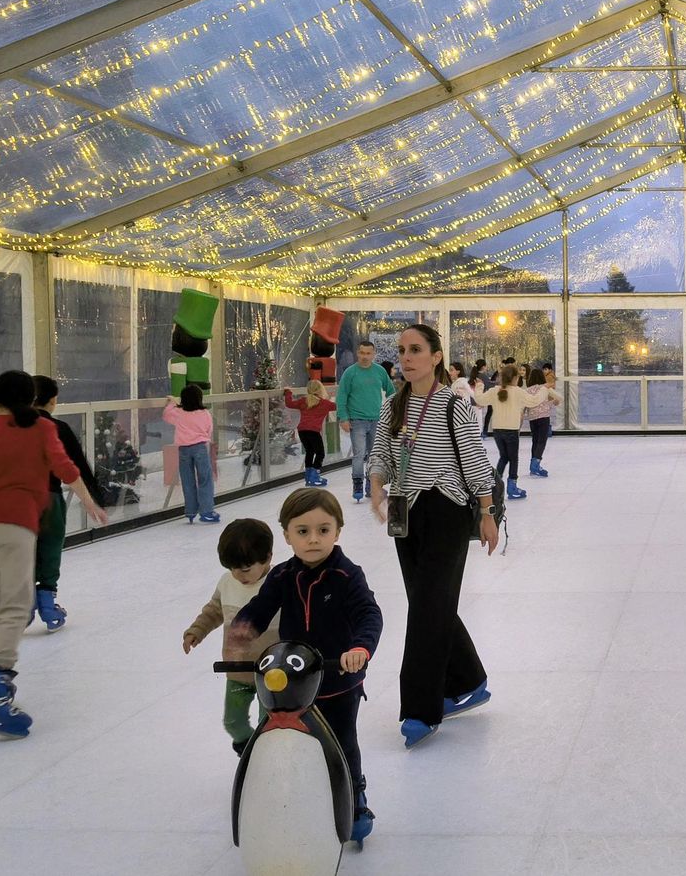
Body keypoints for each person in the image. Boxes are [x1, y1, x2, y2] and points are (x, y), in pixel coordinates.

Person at [0, 371, 109, 738]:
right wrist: (90, 502)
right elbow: (66, 470)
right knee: (16, 606)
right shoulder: (41, 429)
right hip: (15, 523)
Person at [367, 324, 500, 750]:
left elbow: (475, 459)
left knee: (427, 607)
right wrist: (376, 483)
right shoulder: (392, 406)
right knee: (428, 602)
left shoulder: (453, 404)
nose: (406, 358)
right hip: (403, 509)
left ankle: (421, 709)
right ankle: (469, 680)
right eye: (402, 350)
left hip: (445, 508)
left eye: (416, 350)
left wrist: (487, 513)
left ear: (436, 356)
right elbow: (381, 453)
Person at [230, 488, 383, 846]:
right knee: (290, 742)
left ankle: (354, 797)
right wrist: (244, 626)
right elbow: (261, 607)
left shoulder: (347, 575)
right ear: (287, 535)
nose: (313, 539)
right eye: (302, 531)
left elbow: (368, 614)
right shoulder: (282, 576)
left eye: (323, 530)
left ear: (337, 531)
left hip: (339, 680)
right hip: (291, 683)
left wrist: (359, 649)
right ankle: (292, 795)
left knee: (343, 742)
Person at [181, 518, 279, 755]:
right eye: (232, 569)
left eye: (244, 569)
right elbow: (214, 610)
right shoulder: (227, 583)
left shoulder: (279, 582)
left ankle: (267, 757)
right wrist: (197, 630)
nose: (238, 575)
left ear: (267, 557)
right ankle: (248, 751)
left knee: (269, 724)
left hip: (272, 672)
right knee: (233, 722)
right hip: (237, 670)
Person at [30, 375, 104, 631]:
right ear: (53, 401)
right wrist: (94, 497)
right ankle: (47, 603)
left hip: (17, 501)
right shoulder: (57, 428)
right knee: (50, 548)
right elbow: (77, 465)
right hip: (49, 498)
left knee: (23, 550)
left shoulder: (12, 426)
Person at [336, 340, 396, 504]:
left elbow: (391, 392)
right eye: (362, 353)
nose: (365, 356)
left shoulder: (379, 371)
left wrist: (393, 412)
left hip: (376, 419)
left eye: (368, 353)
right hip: (357, 420)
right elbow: (342, 396)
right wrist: (343, 417)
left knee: (375, 455)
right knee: (359, 454)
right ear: (358, 353)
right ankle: (357, 485)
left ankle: (372, 487)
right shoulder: (350, 373)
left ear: (373, 354)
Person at [164, 385, 220, 524]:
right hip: (200, 448)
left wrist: (172, 402)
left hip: (184, 449)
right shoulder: (205, 413)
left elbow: (167, 415)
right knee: (205, 479)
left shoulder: (179, 413)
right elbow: (209, 430)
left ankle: (190, 511)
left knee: (187, 480)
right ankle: (206, 511)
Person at [481, 363, 534, 500]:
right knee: (513, 458)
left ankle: (494, 486)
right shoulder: (517, 391)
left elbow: (480, 400)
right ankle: (512, 487)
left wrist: (479, 388)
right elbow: (533, 401)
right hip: (511, 430)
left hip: (497, 430)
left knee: (504, 457)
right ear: (515, 378)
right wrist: (545, 390)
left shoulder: (494, 390)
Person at [284, 380, 336, 487]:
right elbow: (338, 406)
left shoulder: (304, 401)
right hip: (313, 431)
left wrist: (288, 392)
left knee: (310, 451)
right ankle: (314, 475)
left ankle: (308, 476)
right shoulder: (324, 403)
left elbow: (289, 404)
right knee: (320, 453)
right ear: (321, 390)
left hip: (302, 431)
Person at [523, 363, 562, 478]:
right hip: (543, 417)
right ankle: (535, 464)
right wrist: (552, 402)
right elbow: (559, 398)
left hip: (532, 418)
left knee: (535, 441)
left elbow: (525, 404)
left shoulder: (527, 390)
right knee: (542, 441)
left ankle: (533, 465)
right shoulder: (544, 388)